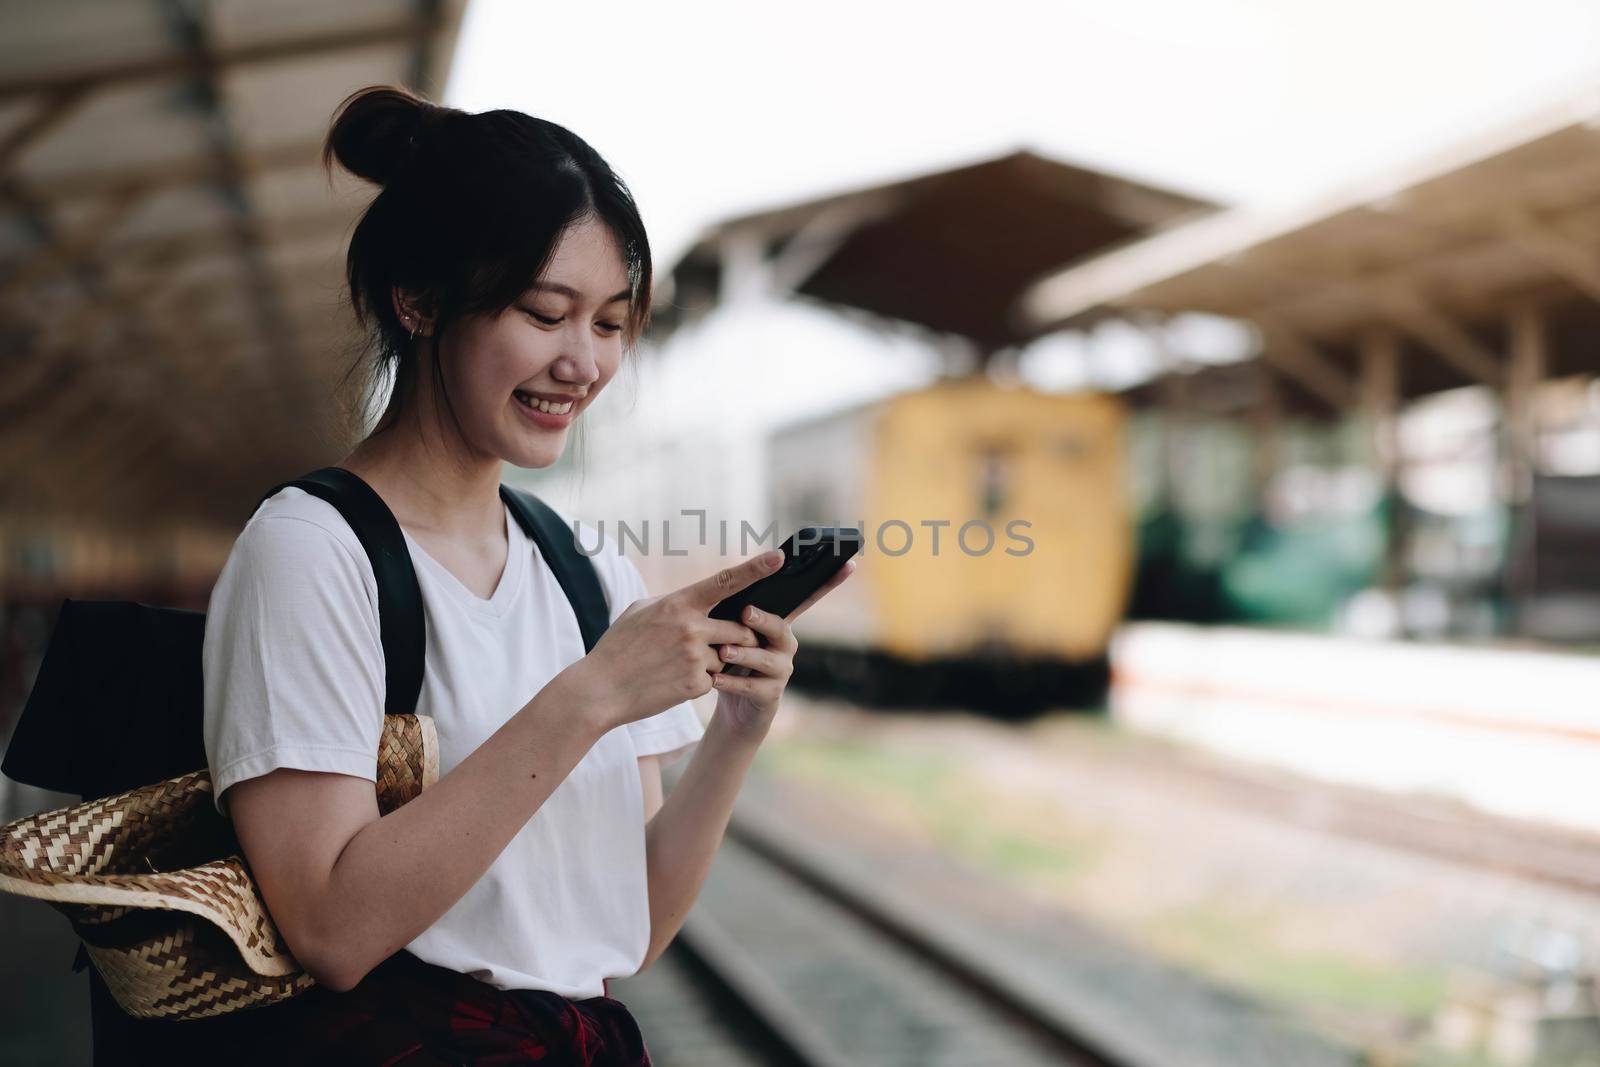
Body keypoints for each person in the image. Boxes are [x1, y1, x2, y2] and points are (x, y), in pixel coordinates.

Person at [200, 85, 854, 1065]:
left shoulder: (586, 571)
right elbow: (331, 928)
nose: (584, 363)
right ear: (417, 299)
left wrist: (735, 729)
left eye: (610, 321)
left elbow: (628, 928)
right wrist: (589, 695)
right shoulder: (312, 551)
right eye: (546, 313)